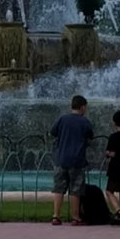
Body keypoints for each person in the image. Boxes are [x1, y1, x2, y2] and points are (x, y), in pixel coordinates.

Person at [48, 94, 93, 226]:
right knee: (75, 189)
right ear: (83, 107)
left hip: (61, 158)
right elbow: (89, 137)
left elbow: (52, 133)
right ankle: (75, 217)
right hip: (77, 160)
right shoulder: (84, 121)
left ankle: (56, 215)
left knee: (59, 188)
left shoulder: (62, 119)